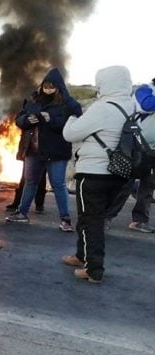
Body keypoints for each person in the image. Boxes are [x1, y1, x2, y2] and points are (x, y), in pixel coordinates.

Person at [62, 65, 134, 283]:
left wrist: (72, 119)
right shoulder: (132, 106)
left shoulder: (102, 108)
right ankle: (81, 256)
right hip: (121, 173)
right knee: (94, 218)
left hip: (94, 173)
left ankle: (93, 269)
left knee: (90, 221)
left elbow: (70, 134)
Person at [6, 68, 82, 232]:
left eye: (51, 87)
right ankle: (22, 213)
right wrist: (27, 119)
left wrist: (52, 120)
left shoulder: (69, 104)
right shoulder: (34, 101)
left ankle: (65, 219)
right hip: (33, 150)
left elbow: (75, 124)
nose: (47, 90)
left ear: (58, 87)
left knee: (58, 184)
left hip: (56, 152)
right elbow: (19, 119)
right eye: (45, 86)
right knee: (30, 182)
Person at [104, 78, 155, 233]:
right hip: (136, 146)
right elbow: (147, 105)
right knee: (124, 184)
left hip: (152, 150)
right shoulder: (144, 90)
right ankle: (106, 216)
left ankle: (140, 220)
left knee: (148, 186)